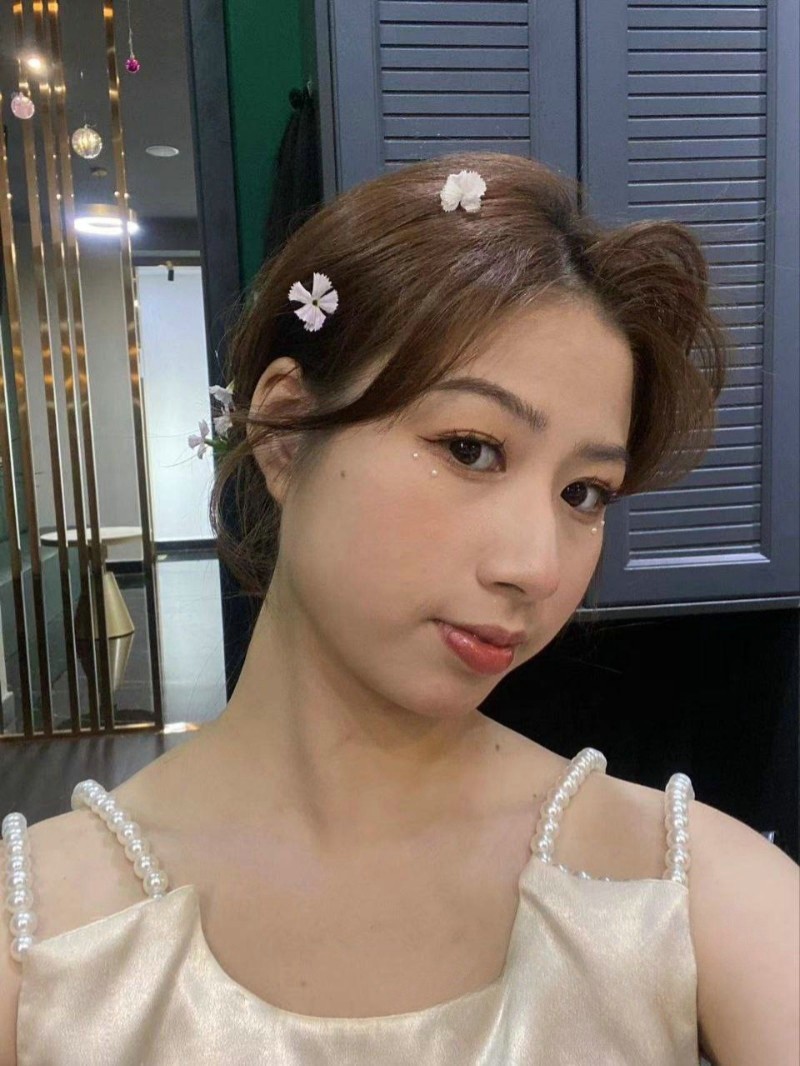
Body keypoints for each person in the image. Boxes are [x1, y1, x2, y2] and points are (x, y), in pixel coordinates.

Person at [1, 153, 797, 1065]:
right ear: (282, 430)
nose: (535, 567)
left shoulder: (686, 893)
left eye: (583, 494)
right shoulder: (44, 945)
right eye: (471, 448)